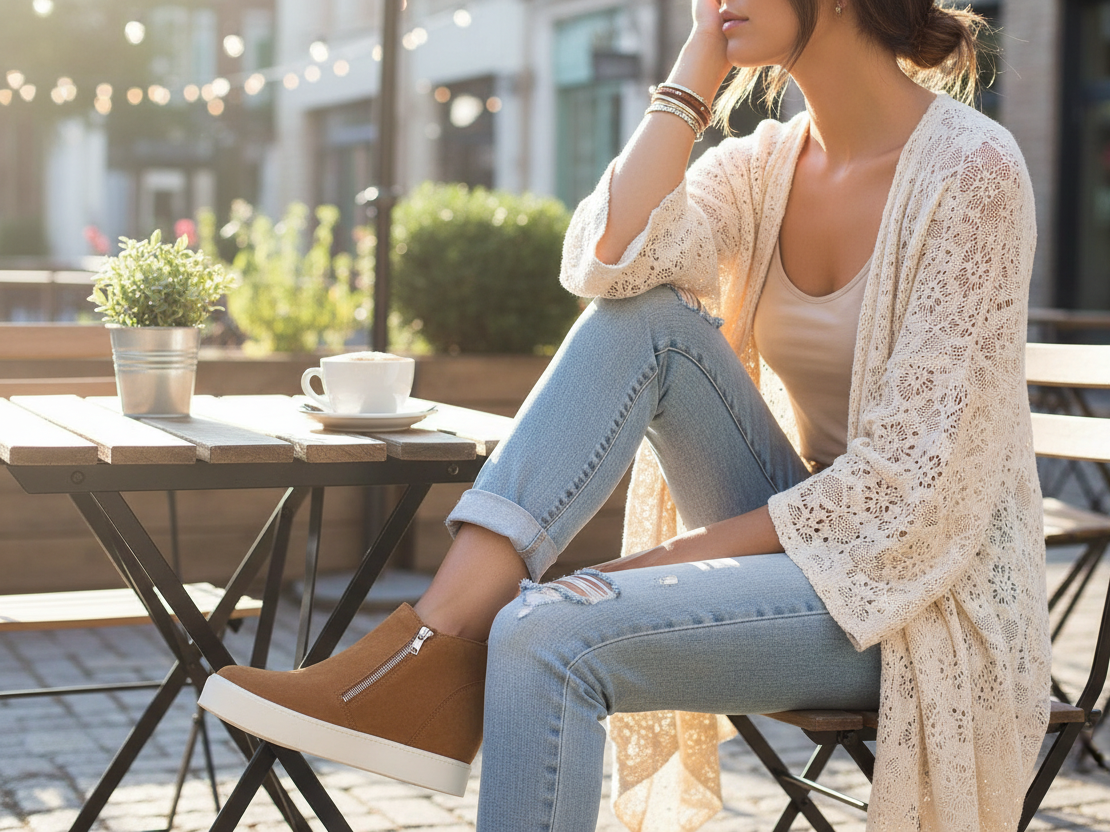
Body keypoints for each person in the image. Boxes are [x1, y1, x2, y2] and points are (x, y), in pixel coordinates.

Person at [198, 0, 1052, 829]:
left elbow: (909, 493)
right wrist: (690, 77)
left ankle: (427, 662)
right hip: (806, 534)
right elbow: (608, 261)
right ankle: (434, 642)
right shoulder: (762, 168)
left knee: (543, 631)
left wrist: (646, 564)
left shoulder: (972, 171)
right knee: (642, 317)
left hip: (921, 598)